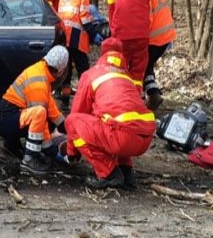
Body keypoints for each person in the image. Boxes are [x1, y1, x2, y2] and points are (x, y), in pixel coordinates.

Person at [64, 38, 156, 190]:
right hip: (144, 139)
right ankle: (127, 172)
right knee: (116, 120)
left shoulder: (91, 74)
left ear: (102, 53)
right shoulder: (127, 77)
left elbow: (77, 113)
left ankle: (108, 173)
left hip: (122, 138)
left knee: (72, 121)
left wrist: (71, 152)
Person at [0, 46, 69, 175]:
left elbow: (51, 109)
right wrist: (51, 151)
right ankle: (29, 159)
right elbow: (41, 119)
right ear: (61, 71)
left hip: (9, 117)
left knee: (45, 116)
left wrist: (66, 126)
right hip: (6, 120)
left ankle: (12, 145)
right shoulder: (39, 81)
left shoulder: (41, 72)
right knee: (40, 113)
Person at [105, 0, 153, 86]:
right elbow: (146, 4)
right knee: (138, 73)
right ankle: (136, 100)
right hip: (142, 33)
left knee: (120, 69)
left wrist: (113, 31)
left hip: (122, 33)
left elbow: (111, 8)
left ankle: (121, 98)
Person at [56, 0, 93, 106]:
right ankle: (86, 99)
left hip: (63, 36)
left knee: (67, 71)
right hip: (77, 38)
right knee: (83, 69)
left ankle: (65, 101)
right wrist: (94, 34)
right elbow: (85, 19)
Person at [144, 0, 176, 110]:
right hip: (165, 36)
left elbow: (147, 19)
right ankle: (153, 93)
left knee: (140, 65)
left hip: (155, 37)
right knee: (147, 64)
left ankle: (139, 101)